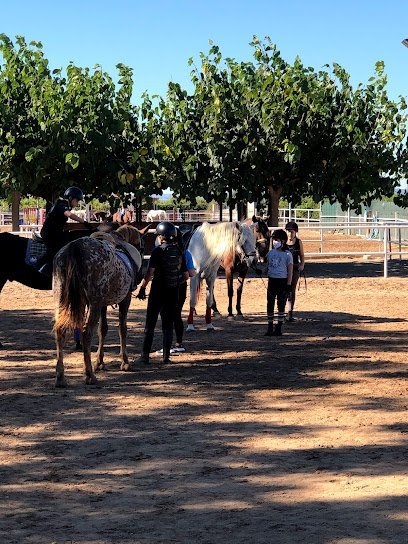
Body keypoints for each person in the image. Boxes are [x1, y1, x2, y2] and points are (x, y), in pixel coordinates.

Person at [134, 221, 189, 365]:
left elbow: (150, 273)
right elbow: (186, 276)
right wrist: (176, 283)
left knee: (150, 324)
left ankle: (145, 356)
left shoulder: (157, 251)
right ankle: (166, 357)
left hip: (157, 290)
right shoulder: (179, 252)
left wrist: (142, 289)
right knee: (168, 324)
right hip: (173, 291)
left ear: (162, 237)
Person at [160, 228, 196, 354]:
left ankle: (168, 344)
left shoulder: (160, 251)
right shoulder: (185, 253)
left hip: (166, 286)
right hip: (180, 287)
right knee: (176, 314)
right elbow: (192, 273)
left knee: (167, 315)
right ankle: (178, 343)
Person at [39, 186, 88, 275]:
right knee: (57, 251)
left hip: (56, 233)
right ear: (70, 198)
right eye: (76, 200)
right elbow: (69, 214)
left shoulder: (64, 205)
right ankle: (40, 267)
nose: (77, 203)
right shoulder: (61, 204)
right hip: (50, 234)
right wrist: (84, 222)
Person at [264, 229, 293, 336]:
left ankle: (279, 327)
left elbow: (290, 271)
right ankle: (270, 326)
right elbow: (267, 267)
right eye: (274, 240)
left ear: (283, 241)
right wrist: (260, 270)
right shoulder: (270, 253)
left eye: (277, 239)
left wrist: (289, 284)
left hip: (282, 281)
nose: (275, 241)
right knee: (270, 303)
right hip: (272, 280)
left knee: (281, 304)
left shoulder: (287, 255)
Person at [285, 221, 305, 322]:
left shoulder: (298, 242)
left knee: (292, 290)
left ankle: (290, 312)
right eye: (288, 231)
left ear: (295, 232)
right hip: (283, 269)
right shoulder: (283, 242)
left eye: (291, 232)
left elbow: (301, 255)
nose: (290, 234)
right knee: (283, 290)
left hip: (295, 269)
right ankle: (282, 311)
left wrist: (302, 265)